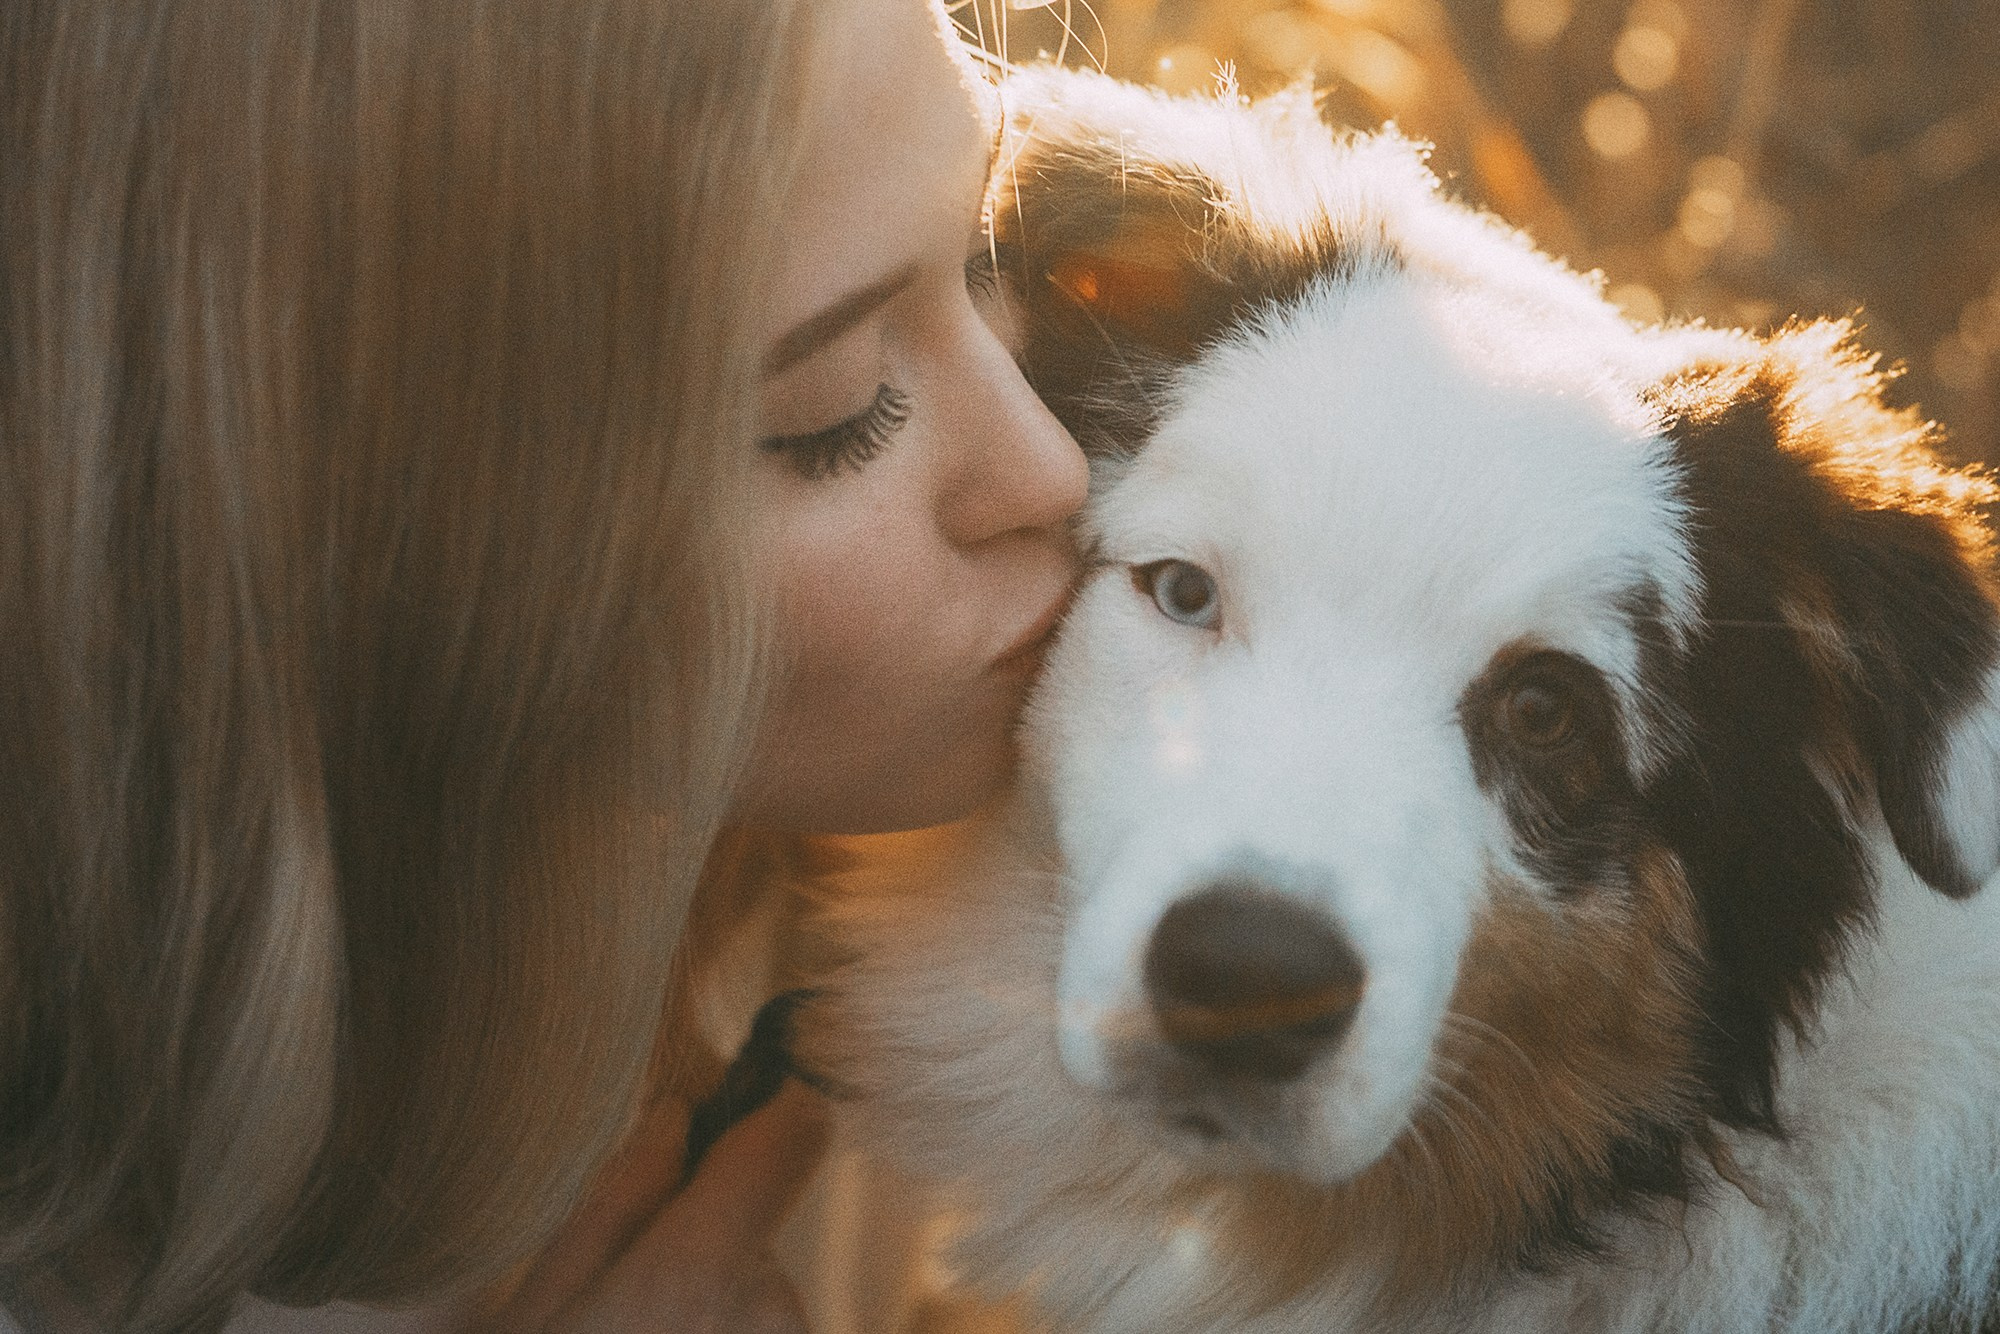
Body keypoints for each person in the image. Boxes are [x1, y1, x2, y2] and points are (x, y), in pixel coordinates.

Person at [0, 0, 1085, 1330]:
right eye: (836, 407)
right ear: (390, 557)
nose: (1051, 466)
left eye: (988, 249)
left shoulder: (926, 938)